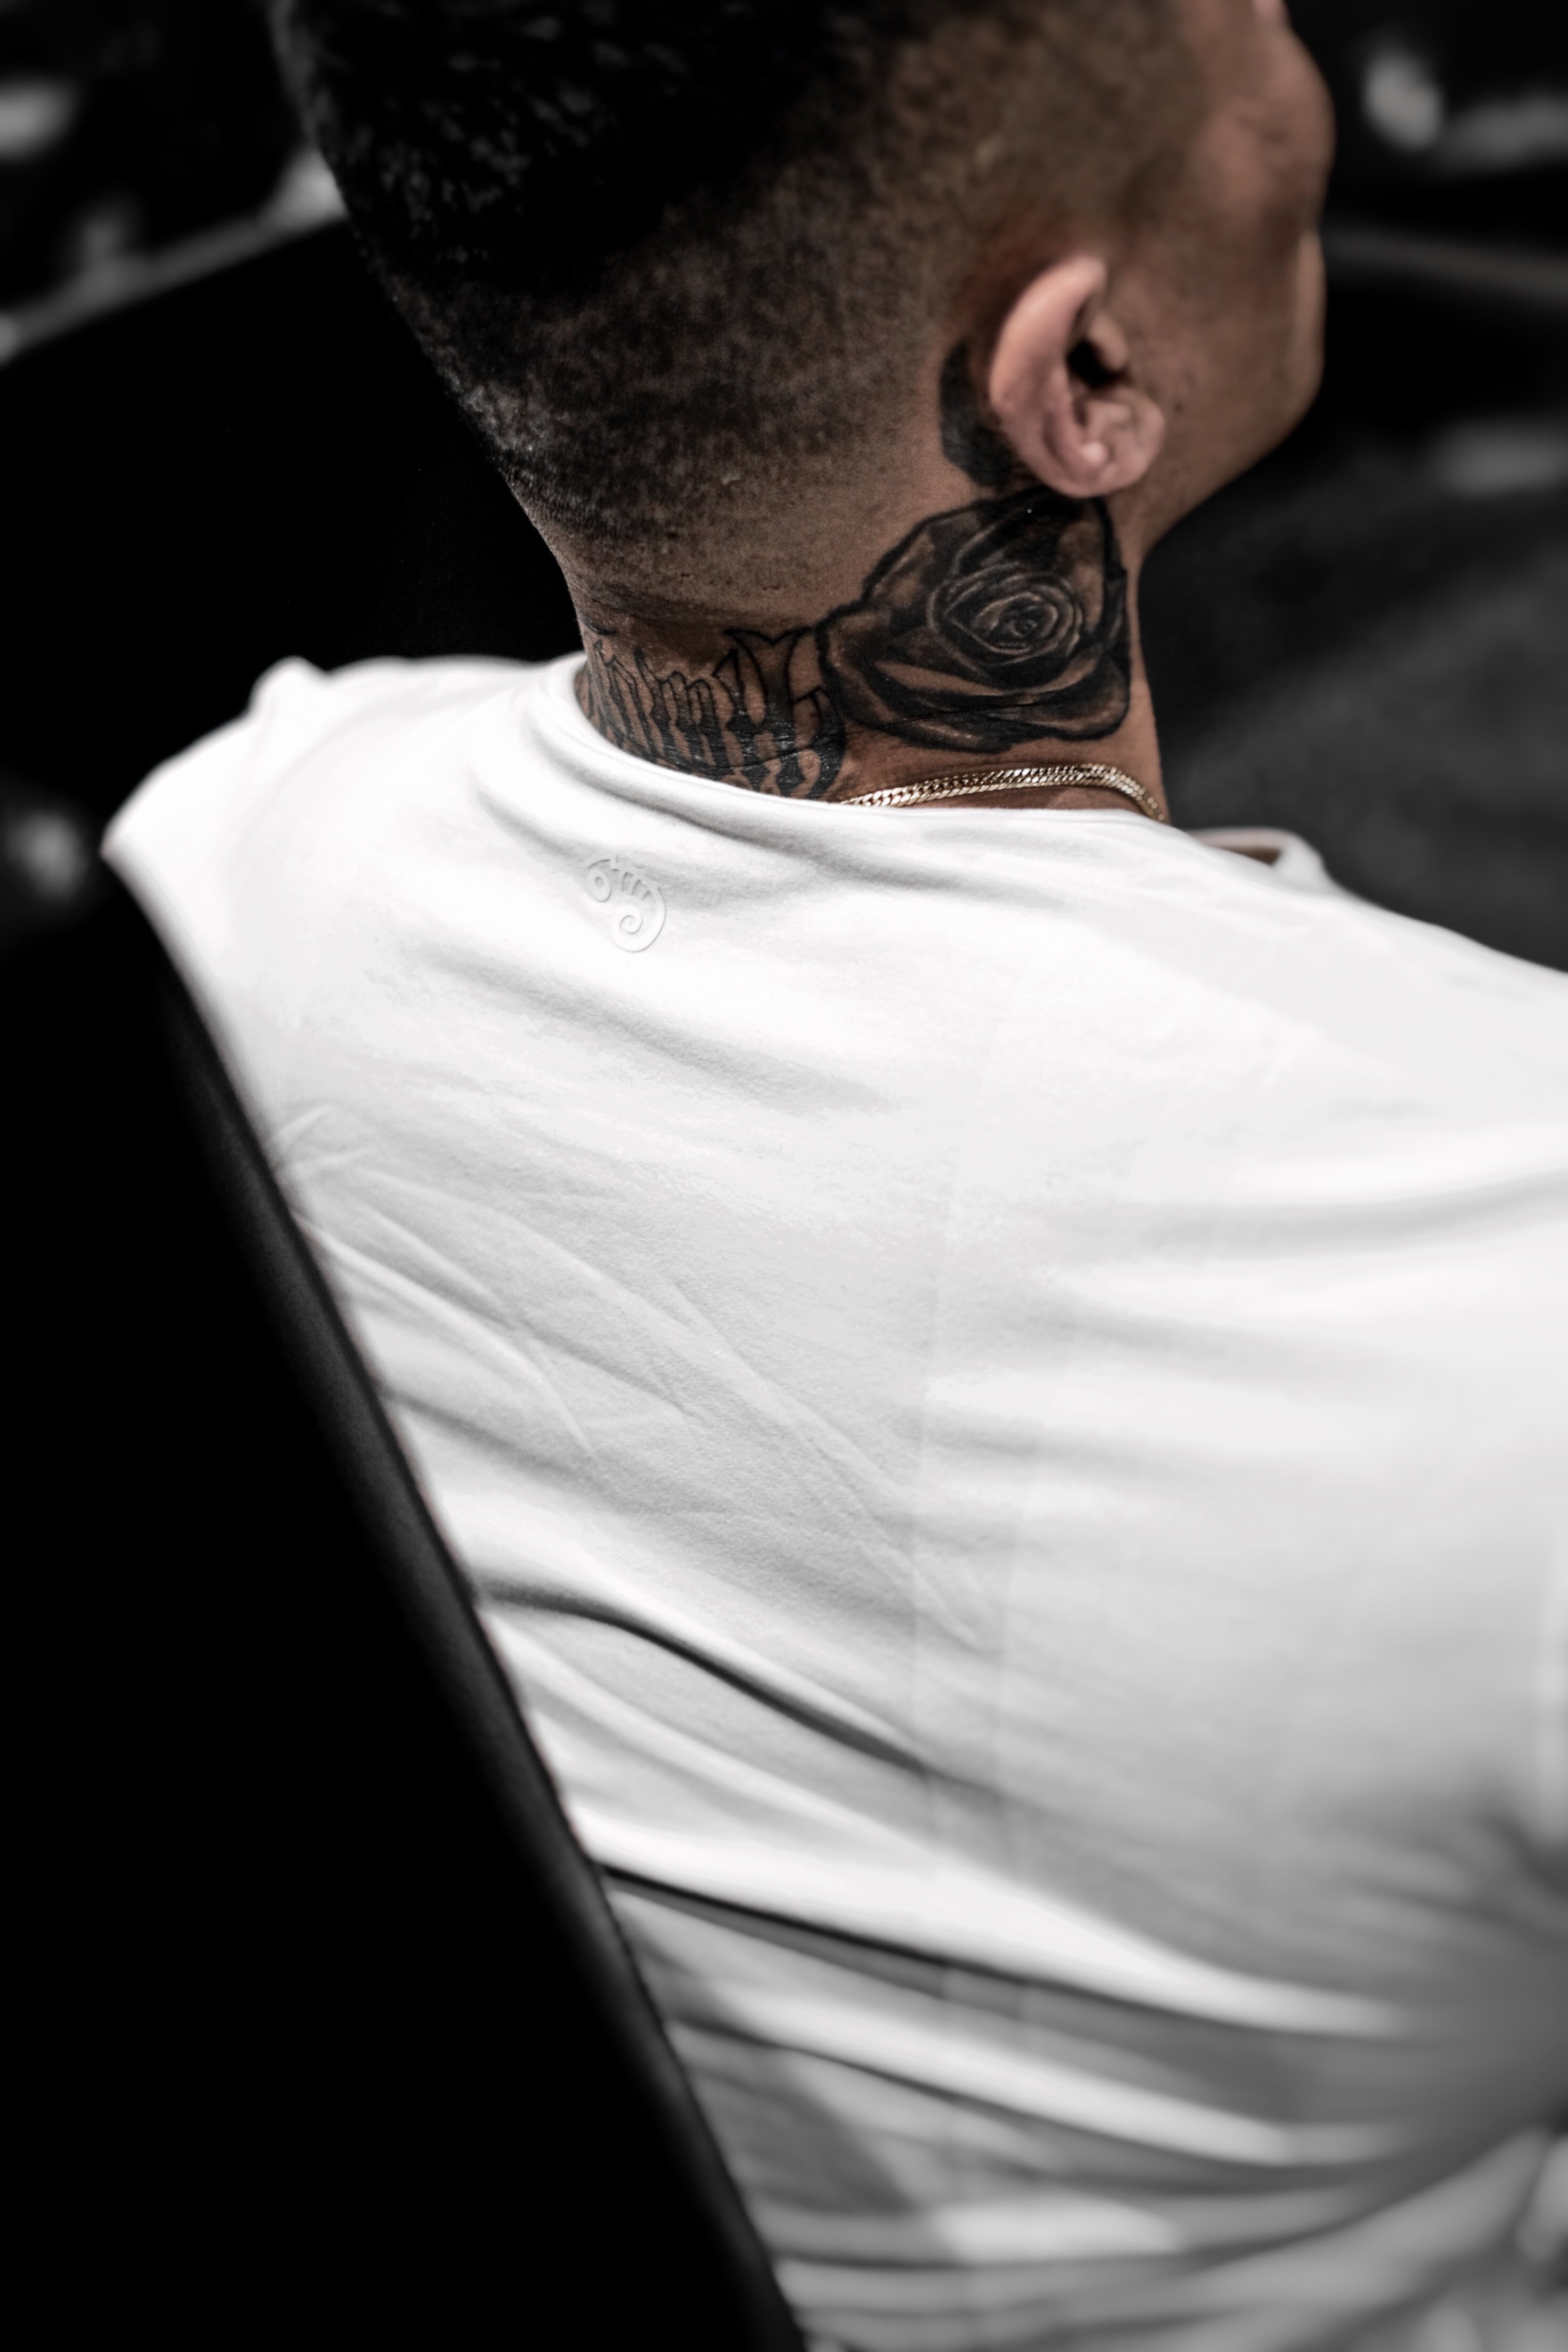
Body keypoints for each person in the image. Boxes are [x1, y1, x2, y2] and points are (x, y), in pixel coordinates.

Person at [105, 3, 1567, 2345]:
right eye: (1249, 17)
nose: (1303, 62)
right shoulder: (1507, 1259)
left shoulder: (224, 871)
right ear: (1086, 376)